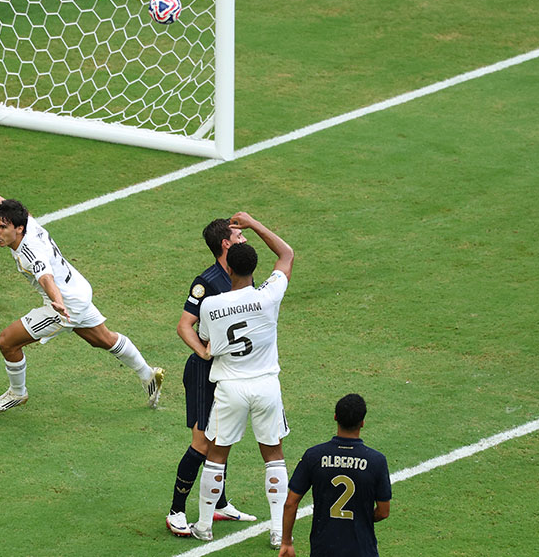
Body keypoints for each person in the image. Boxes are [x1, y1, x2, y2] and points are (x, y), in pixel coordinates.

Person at [0, 195, 164, 412]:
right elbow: (24, 214)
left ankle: (17, 393)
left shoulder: (31, 253)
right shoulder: (30, 225)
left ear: (20, 228)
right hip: (78, 290)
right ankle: (148, 374)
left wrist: (57, 302)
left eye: (3, 227)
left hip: (65, 304)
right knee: (103, 338)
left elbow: (46, 277)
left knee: (6, 342)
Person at [187, 212, 294, 549]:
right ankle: (277, 529)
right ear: (252, 268)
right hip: (265, 385)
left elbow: (204, 341)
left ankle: (204, 526)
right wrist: (254, 224)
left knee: (216, 455)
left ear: (228, 269)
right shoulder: (269, 296)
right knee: (273, 455)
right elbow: (287, 255)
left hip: (229, 388)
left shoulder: (212, 306)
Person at [165, 218, 257, 537]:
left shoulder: (243, 273)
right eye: (239, 235)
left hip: (230, 371)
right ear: (226, 244)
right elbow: (184, 325)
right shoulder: (207, 281)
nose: (244, 238)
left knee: (223, 436)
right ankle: (176, 510)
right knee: (202, 442)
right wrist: (204, 353)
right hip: (205, 373)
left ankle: (218, 504)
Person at [279, 394, 391, 557]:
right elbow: (383, 512)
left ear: (335, 417)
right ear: (362, 423)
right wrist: (362, 518)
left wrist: (286, 542)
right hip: (362, 549)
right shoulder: (376, 461)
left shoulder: (314, 456)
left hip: (323, 548)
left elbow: (290, 503)